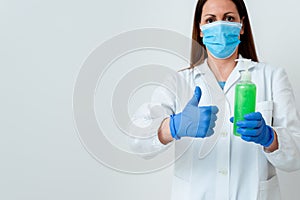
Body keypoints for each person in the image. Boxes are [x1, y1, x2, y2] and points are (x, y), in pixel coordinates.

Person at [130, 0, 300, 199]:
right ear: (200, 29)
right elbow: (137, 140)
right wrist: (173, 127)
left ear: (242, 25)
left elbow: (296, 156)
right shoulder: (179, 82)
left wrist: (271, 138)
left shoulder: (271, 77)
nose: (220, 27)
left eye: (229, 18)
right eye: (210, 20)